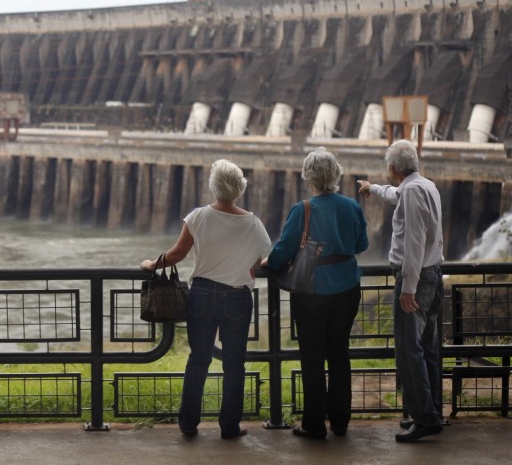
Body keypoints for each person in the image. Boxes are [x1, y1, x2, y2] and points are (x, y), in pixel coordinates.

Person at [140, 159, 271, 440]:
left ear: (214, 186)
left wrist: (153, 264)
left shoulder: (198, 216)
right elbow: (260, 260)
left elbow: (177, 254)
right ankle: (229, 427)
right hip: (237, 297)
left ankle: (188, 424)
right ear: (239, 187)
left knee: (198, 359)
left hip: (202, 294)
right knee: (234, 363)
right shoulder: (254, 224)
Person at [263, 147, 368, 439]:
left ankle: (313, 423)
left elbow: (283, 250)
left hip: (311, 291)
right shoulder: (352, 207)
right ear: (336, 174)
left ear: (308, 177)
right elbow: (362, 244)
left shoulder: (303, 209)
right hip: (348, 288)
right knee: (338, 353)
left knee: (311, 356)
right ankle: (340, 420)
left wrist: (268, 264)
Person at [358, 139, 445, 442]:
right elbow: (395, 194)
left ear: (393, 167)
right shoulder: (425, 186)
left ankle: (424, 419)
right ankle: (433, 411)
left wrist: (408, 287)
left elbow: (415, 242)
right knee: (429, 350)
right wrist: (374, 188)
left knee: (410, 351)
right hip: (433, 277)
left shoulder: (411, 191)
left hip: (417, 280)